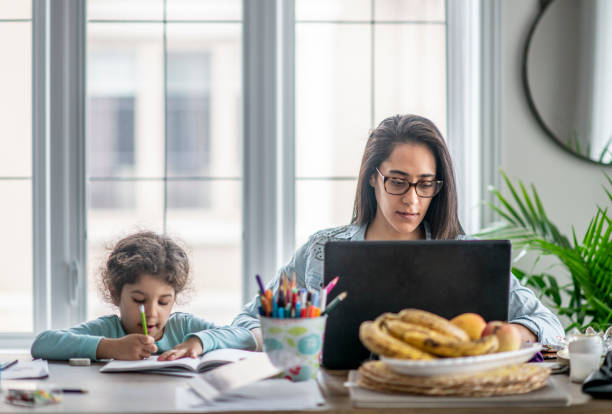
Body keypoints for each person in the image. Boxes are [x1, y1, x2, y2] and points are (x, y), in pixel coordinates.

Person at [232, 114, 564, 349]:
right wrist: (274, 337)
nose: (411, 199)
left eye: (425, 184)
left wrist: (506, 333)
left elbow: (550, 325)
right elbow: (248, 321)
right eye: (398, 181)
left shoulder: (468, 254)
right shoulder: (320, 249)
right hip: (338, 399)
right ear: (373, 177)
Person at [31, 231, 256, 361]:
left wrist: (198, 341)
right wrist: (111, 347)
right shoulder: (107, 330)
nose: (151, 312)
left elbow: (246, 337)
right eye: (139, 300)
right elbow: (43, 344)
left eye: (163, 302)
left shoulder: (184, 328)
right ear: (115, 293)